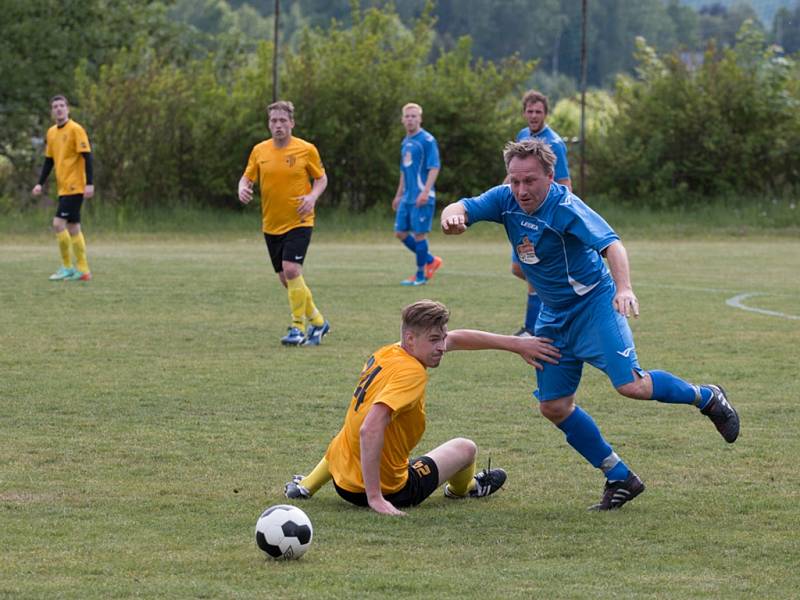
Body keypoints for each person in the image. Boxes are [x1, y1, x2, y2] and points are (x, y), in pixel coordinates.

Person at [441, 138, 740, 511]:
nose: (521, 190)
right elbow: (464, 206)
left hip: (595, 305)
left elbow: (612, 245)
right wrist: (451, 217)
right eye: (515, 181)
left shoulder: (566, 207)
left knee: (631, 385)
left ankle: (708, 397)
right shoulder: (505, 199)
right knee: (554, 406)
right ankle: (619, 476)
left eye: (530, 181)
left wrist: (624, 288)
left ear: (550, 177)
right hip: (553, 315)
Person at [283, 299, 561, 516]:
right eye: (434, 340)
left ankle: (307, 484)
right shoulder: (412, 373)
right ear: (411, 339)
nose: (442, 347)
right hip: (389, 489)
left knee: (352, 424)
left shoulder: (387, 352)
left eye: (442, 338)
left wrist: (516, 344)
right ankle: (467, 488)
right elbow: (370, 428)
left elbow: (458, 338)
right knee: (466, 448)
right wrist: (376, 498)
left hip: (343, 480)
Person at [238, 100, 330, 347]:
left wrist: (312, 197)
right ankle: (319, 322)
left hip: (300, 220)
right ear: (269, 124)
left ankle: (298, 328)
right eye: (273, 121)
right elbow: (247, 178)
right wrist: (242, 189)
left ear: (292, 123)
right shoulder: (259, 150)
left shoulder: (306, 149)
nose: (277, 125)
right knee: (287, 279)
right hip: (271, 223)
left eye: (282, 121)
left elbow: (321, 179)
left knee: (291, 270)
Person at [512, 91, 572, 337]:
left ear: (545, 114)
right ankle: (534, 324)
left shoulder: (554, 143)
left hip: (542, 216)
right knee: (521, 268)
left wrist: (563, 214)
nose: (534, 115)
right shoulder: (523, 136)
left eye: (538, 111)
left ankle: (535, 325)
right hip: (522, 214)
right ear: (524, 112)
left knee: (532, 268)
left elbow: (564, 182)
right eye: (530, 111)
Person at [31, 95, 95, 282]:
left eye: (61, 106)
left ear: (68, 109)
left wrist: (89, 183)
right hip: (63, 187)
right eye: (55, 106)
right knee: (73, 227)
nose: (58, 109)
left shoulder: (76, 129)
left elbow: (87, 157)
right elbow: (49, 161)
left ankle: (68, 267)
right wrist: (39, 183)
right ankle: (83, 271)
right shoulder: (51, 133)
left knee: (58, 224)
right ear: (52, 111)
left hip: (75, 186)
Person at [392, 103, 443, 287]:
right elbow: (404, 172)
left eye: (414, 116)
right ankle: (430, 260)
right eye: (407, 116)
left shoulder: (427, 140)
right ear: (402, 119)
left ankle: (420, 275)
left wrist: (425, 191)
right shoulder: (405, 142)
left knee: (419, 235)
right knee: (400, 232)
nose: (410, 119)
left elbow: (434, 167)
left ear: (420, 119)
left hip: (422, 196)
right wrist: (398, 195)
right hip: (407, 197)